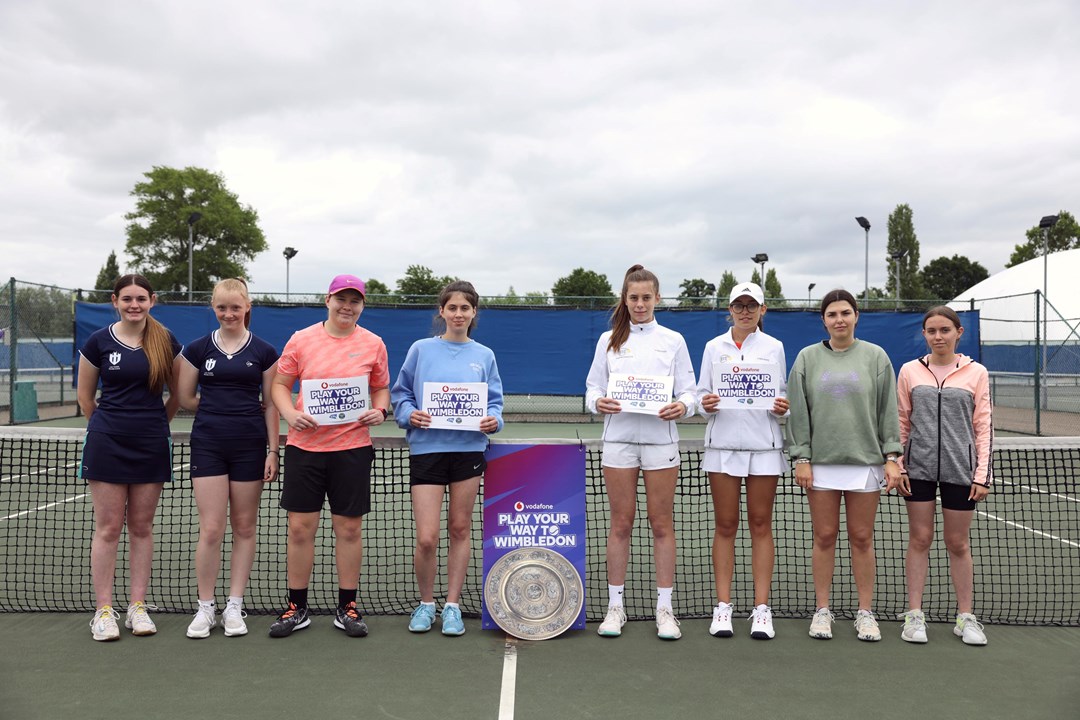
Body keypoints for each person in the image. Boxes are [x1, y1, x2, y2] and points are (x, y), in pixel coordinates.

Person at [268, 274, 390, 638]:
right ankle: (296, 607)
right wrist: (289, 415)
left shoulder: (373, 343)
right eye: (341, 299)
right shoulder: (301, 339)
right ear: (328, 300)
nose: (347, 307)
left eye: (355, 301)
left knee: (349, 529)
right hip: (305, 450)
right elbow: (279, 385)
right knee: (300, 529)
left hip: (352, 449)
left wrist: (380, 411)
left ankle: (347, 607)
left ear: (362, 306)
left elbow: (381, 388)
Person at [585, 264, 696, 640]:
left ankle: (665, 610)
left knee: (661, 525)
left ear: (657, 298)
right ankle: (615, 607)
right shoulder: (608, 340)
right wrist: (599, 402)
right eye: (633, 298)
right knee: (620, 524)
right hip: (618, 443)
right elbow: (591, 390)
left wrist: (682, 407)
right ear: (625, 299)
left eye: (646, 297)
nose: (640, 304)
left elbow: (690, 392)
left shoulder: (673, 340)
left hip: (661, 443)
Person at [786, 288, 902, 642]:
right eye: (832, 314)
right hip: (820, 464)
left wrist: (892, 457)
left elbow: (888, 411)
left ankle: (865, 613)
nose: (839, 319)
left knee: (862, 538)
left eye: (845, 313)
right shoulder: (806, 358)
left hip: (865, 463)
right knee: (824, 536)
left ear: (856, 317)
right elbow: (798, 413)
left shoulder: (876, 357)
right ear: (823, 320)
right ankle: (822, 611)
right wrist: (802, 457)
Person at [391, 281, 504, 636]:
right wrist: (410, 414)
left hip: (468, 451)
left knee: (459, 528)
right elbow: (401, 394)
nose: (458, 314)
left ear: (474, 313)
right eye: (452, 308)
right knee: (427, 537)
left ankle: (452, 606)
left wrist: (493, 420)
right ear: (442, 312)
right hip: (427, 450)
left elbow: (495, 404)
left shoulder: (484, 355)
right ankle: (426, 603)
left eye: (465, 308)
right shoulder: (421, 349)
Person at [78, 274, 182, 641]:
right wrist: (110, 427)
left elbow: (178, 394)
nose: (134, 305)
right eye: (127, 299)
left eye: (141, 298)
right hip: (108, 442)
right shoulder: (98, 341)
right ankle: (103, 611)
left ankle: (137, 607)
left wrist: (154, 424)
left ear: (152, 300)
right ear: (115, 301)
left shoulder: (166, 340)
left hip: (151, 442)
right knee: (108, 528)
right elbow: (86, 398)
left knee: (141, 527)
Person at [177, 278, 280, 638]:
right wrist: (220, 409)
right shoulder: (197, 349)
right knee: (211, 528)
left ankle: (234, 606)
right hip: (208, 444)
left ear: (247, 306)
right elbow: (187, 397)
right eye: (222, 307)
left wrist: (272, 450)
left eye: (235, 307)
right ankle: (206, 608)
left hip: (250, 447)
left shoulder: (265, 352)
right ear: (213, 308)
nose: (229, 313)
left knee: (245, 527)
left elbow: (270, 406)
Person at [696, 282, 789, 640]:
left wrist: (783, 405)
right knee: (725, 525)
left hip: (764, 447)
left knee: (761, 524)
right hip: (722, 446)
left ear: (762, 310)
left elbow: (780, 393)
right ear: (730, 309)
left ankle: (761, 610)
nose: (745, 311)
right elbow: (703, 392)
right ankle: (723, 608)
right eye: (739, 305)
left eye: (752, 305)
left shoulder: (774, 347)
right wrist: (706, 404)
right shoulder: (712, 347)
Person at [896, 306, 992, 645]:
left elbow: (983, 426)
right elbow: (902, 422)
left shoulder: (976, 372)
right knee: (920, 539)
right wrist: (900, 465)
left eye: (945, 330)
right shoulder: (909, 371)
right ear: (924, 334)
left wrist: (982, 474)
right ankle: (914, 616)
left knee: (958, 543)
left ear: (958, 333)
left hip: (960, 471)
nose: (938, 337)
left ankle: (966, 617)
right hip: (917, 470)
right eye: (932, 331)